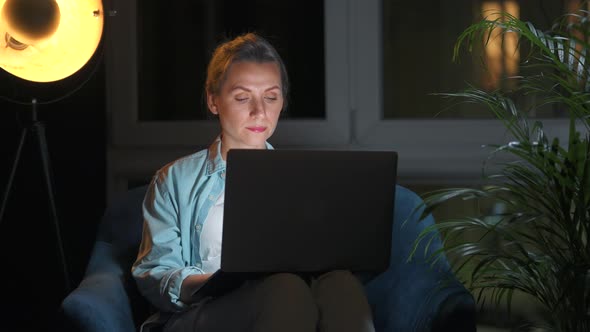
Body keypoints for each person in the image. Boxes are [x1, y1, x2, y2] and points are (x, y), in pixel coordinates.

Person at [131, 32, 375, 332]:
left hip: (290, 302)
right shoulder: (175, 180)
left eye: (270, 97)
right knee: (285, 289)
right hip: (205, 312)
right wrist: (211, 283)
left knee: (340, 284)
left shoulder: (303, 181)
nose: (259, 112)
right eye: (243, 97)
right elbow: (155, 274)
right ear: (213, 100)